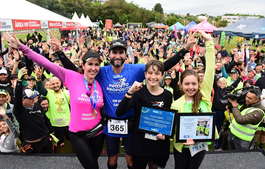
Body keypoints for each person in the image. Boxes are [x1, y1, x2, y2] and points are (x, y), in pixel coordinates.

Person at [54, 34, 194, 169]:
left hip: (131, 124)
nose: (117, 55)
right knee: (112, 161)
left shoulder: (136, 69)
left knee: (130, 161)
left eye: (121, 52)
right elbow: (77, 70)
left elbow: (162, 66)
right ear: (109, 55)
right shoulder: (101, 71)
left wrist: (185, 50)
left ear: (126, 55)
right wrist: (60, 52)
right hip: (110, 124)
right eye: (114, 52)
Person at [5, 32, 105, 169]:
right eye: (90, 64)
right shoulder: (72, 77)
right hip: (78, 135)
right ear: (83, 64)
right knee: (92, 167)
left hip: (97, 133)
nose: (93, 68)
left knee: (94, 162)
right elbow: (45, 62)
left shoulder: (100, 81)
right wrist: (22, 47)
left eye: (97, 65)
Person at [116, 60, 172, 169]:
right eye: (150, 73)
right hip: (141, 143)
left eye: (157, 73)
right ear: (145, 74)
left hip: (158, 143)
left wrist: (165, 132)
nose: (153, 77)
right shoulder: (138, 94)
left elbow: (167, 119)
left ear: (162, 75)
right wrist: (130, 92)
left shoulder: (168, 95)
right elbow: (119, 112)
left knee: (154, 166)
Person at [171, 31, 215, 169]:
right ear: (181, 85)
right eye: (187, 84)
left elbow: (210, 69)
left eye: (194, 84)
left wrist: (209, 42)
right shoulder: (176, 104)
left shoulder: (204, 94)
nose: (191, 87)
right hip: (181, 147)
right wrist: (173, 137)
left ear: (199, 84)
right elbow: (172, 129)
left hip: (200, 145)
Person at [13, 68, 54, 154]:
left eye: (33, 97)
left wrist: (51, 131)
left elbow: (45, 119)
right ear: (23, 100)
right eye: (30, 98)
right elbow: (17, 98)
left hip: (45, 140)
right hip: (32, 144)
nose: (33, 100)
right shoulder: (19, 110)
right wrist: (19, 81)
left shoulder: (37, 105)